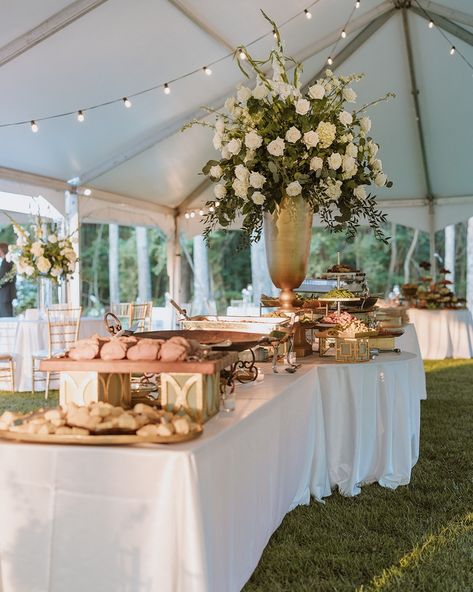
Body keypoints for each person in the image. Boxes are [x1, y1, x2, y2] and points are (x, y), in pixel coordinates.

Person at [0, 242, 16, 317]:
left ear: (2, 250)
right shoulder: (8, 261)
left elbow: (4, 278)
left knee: (6, 319)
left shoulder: (6, 262)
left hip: (5, 295)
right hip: (6, 295)